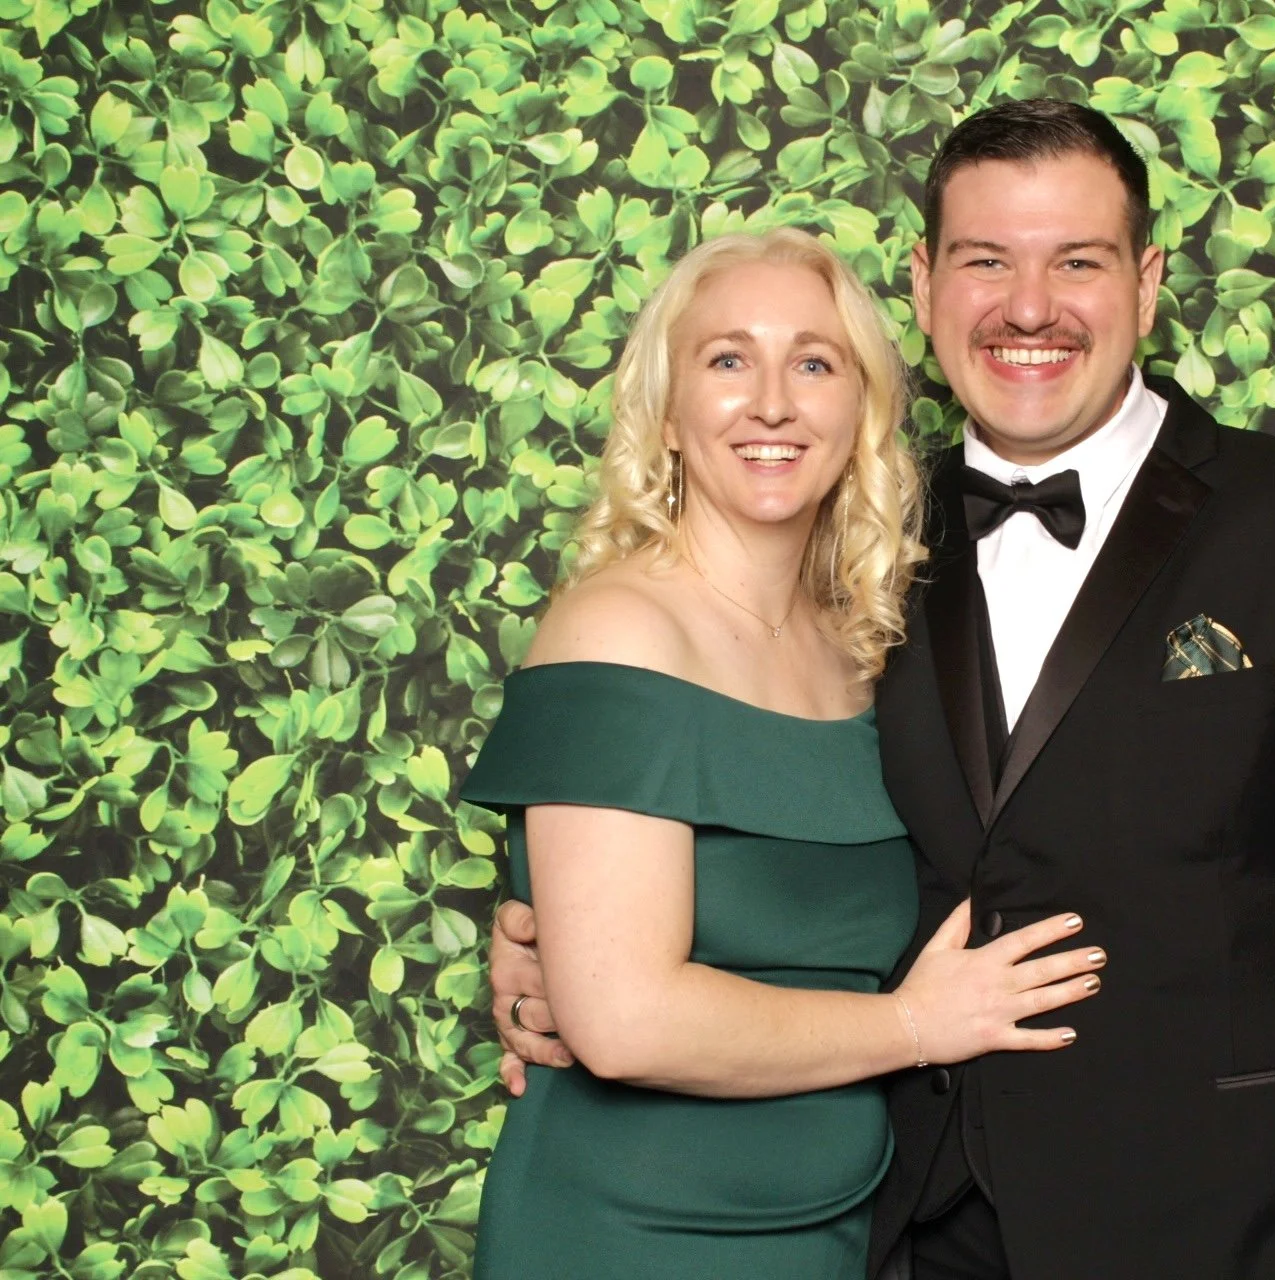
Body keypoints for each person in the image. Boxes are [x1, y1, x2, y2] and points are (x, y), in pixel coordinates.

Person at [491, 101, 1275, 1278]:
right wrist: (556, 940)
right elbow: (731, 817)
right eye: (985, 261)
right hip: (897, 1220)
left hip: (1209, 1228)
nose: (1027, 306)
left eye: (1078, 261)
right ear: (923, 282)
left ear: (1148, 282)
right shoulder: (850, 546)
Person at [457, 227, 1107, 1279]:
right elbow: (622, 1021)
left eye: (814, 361)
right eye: (727, 359)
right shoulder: (619, 629)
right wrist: (911, 1025)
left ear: (861, 413)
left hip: (838, 1234)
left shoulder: (864, 649)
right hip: (628, 1236)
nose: (771, 401)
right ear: (668, 413)